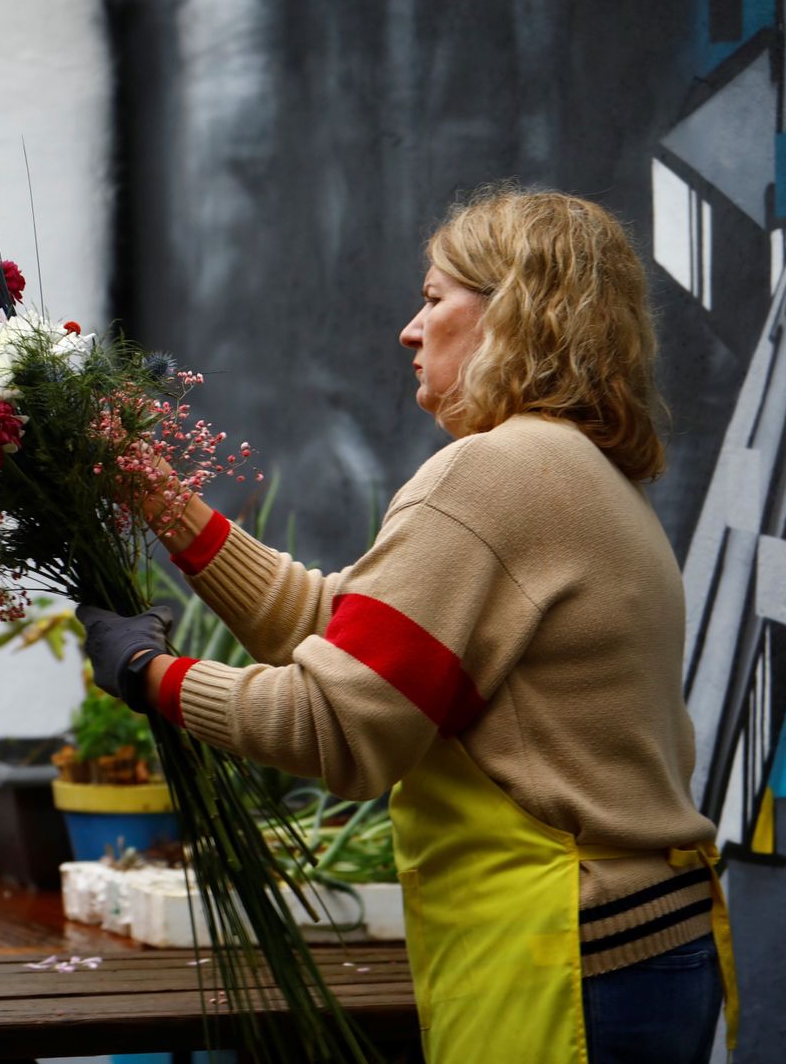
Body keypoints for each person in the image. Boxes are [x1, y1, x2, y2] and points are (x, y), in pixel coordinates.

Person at [78, 186, 737, 1064]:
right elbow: (352, 636)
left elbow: (337, 725)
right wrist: (162, 502)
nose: (409, 329)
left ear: (514, 311)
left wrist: (148, 674)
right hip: (640, 946)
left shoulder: (490, 474)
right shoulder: (577, 473)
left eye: (433, 298)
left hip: (565, 952)